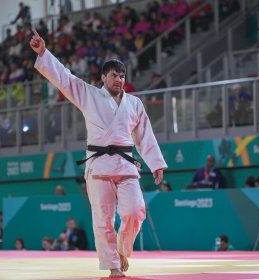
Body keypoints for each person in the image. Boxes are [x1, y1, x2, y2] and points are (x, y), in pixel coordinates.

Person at [30, 28, 167, 278]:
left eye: (122, 76)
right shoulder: (89, 95)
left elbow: (145, 135)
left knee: (135, 211)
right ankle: (113, 267)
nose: (119, 80)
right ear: (103, 78)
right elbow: (65, 78)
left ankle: (123, 248)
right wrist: (44, 53)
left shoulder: (134, 103)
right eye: (114, 75)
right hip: (99, 165)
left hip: (126, 164)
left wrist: (156, 163)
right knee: (103, 220)